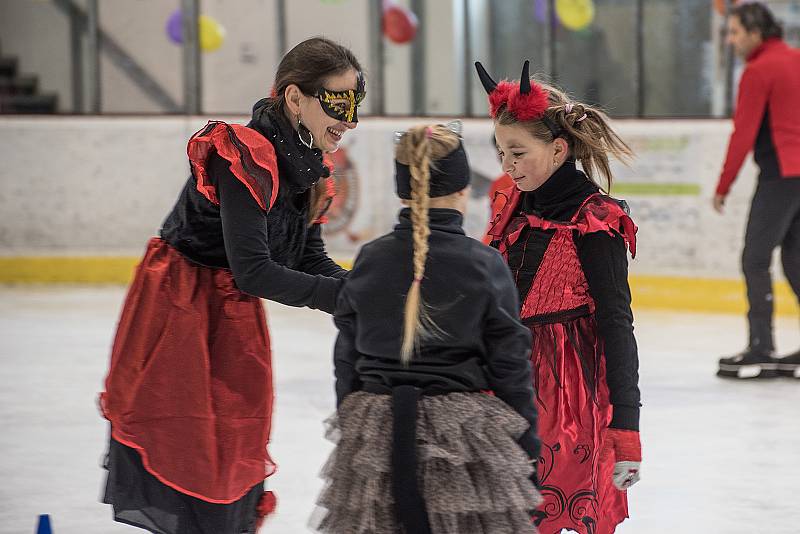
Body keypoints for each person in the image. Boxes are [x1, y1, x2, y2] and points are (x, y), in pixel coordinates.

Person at [99, 37, 365, 534]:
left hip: (232, 313)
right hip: (181, 310)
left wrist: (362, 289)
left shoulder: (309, 168)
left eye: (356, 101)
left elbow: (308, 256)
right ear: (294, 98)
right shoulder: (242, 155)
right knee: (195, 456)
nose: (350, 118)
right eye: (338, 102)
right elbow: (255, 270)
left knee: (234, 451)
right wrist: (345, 298)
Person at [313, 122, 541, 534]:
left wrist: (354, 429)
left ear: (402, 191)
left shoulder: (369, 259)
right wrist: (524, 444)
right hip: (462, 442)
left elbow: (346, 358)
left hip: (376, 434)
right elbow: (510, 365)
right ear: (460, 190)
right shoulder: (484, 264)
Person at [476, 60, 642, 534]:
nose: (506, 165)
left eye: (517, 152)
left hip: (571, 402)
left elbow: (616, 322)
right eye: (500, 151)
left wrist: (625, 426)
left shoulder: (596, 221)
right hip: (506, 380)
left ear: (557, 148)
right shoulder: (509, 203)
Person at [713, 2, 800, 380]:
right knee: (796, 261)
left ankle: (761, 348)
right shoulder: (795, 59)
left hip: (782, 174)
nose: (731, 40)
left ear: (754, 32)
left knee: (755, 259)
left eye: (734, 32)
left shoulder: (759, 69)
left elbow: (743, 133)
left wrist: (724, 184)